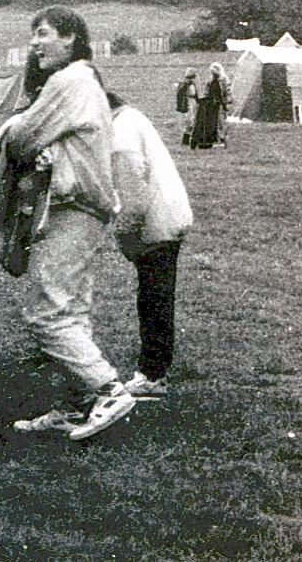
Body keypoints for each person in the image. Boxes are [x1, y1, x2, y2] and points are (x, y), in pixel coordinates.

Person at [0, 6, 134, 441]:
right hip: (86, 210)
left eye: (44, 34)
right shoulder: (86, 81)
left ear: (71, 38)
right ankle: (75, 405)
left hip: (68, 209)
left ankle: (106, 389)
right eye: (33, 34)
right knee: (71, 307)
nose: (35, 44)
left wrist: (16, 123)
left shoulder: (68, 81)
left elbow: (19, 139)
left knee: (46, 312)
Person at [107, 90, 193, 399]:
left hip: (157, 225)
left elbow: (134, 198)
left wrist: (123, 236)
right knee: (156, 297)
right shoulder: (133, 118)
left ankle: (153, 374)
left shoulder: (120, 132)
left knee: (153, 300)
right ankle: (155, 369)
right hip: (169, 216)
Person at [189, 63, 227, 149]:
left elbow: (220, 94)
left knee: (216, 123)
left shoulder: (217, 82)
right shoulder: (215, 82)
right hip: (213, 104)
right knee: (215, 123)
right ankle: (217, 140)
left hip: (214, 104)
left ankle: (218, 140)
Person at [174, 70, 198, 146]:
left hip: (193, 103)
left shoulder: (191, 84)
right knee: (189, 121)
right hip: (189, 103)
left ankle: (190, 139)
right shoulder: (184, 85)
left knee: (193, 120)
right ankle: (186, 139)